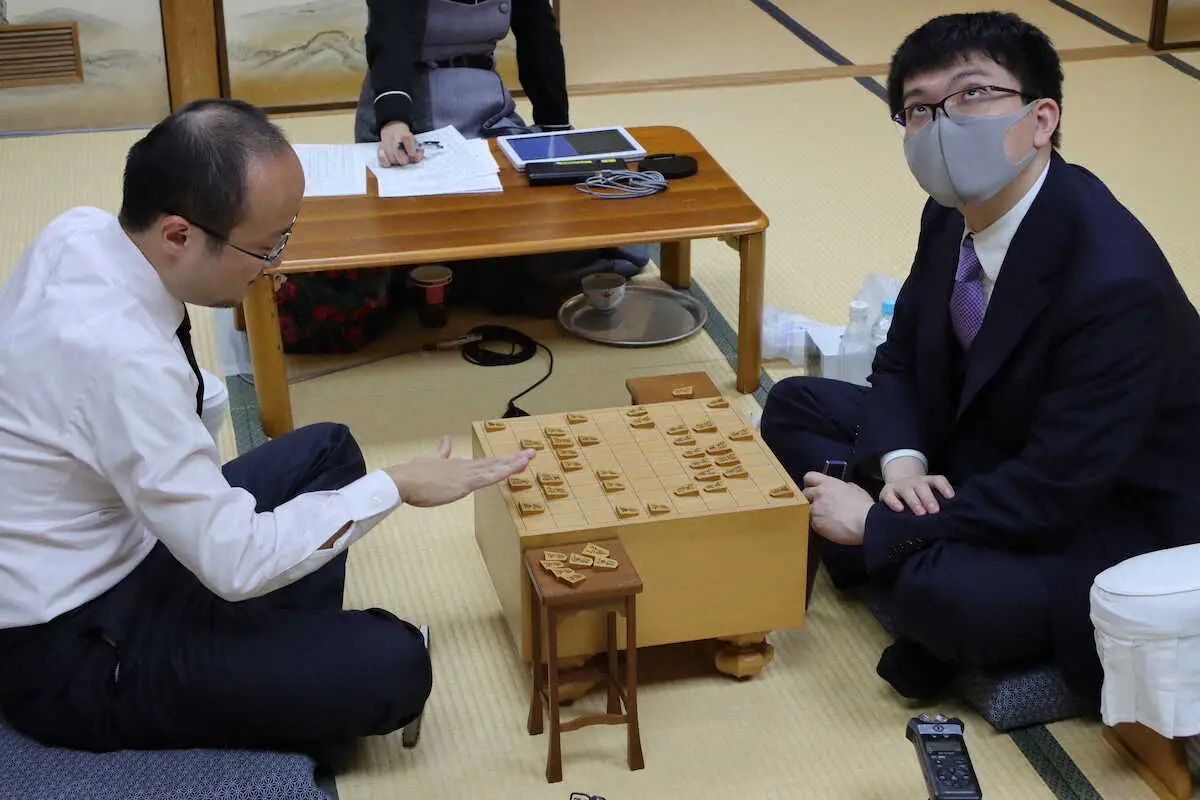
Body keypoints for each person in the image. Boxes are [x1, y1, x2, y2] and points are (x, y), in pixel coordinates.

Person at [0, 98, 534, 757]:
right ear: (177, 234)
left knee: (328, 450)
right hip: (76, 643)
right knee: (393, 663)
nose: (275, 263)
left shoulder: (80, 230)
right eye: (265, 245)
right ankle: (261, 664)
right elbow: (233, 560)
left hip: (139, 536)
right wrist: (396, 485)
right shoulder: (120, 361)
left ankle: (256, 658)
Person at [761, 12, 1200, 703]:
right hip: (982, 448)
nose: (942, 125)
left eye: (971, 95)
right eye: (918, 109)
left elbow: (1057, 488)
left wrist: (879, 522)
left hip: (1104, 507)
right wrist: (903, 464)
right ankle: (901, 545)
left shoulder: (1115, 283)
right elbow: (901, 356)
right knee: (792, 404)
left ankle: (888, 553)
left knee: (953, 597)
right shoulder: (950, 213)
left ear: (1041, 117)